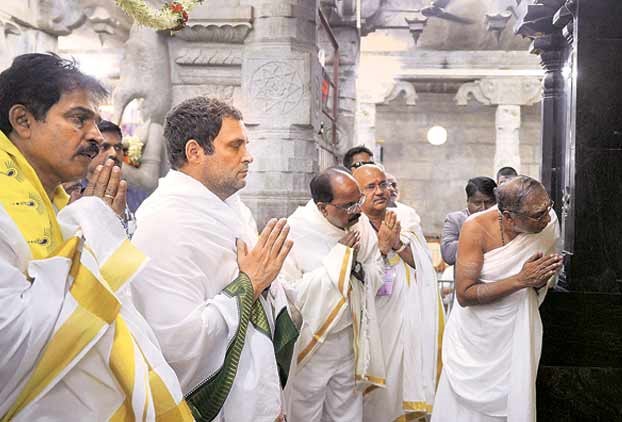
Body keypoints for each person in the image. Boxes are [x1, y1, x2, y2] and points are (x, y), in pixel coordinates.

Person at [0, 53, 191, 420]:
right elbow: (10, 345)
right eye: (78, 119)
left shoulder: (53, 198)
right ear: (23, 121)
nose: (95, 135)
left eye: (96, 121)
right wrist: (92, 224)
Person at [130, 97, 295, 421]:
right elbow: (177, 342)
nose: (248, 156)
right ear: (194, 152)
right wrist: (249, 285)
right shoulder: (165, 222)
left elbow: (259, 294)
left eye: (246, 144)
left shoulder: (233, 209)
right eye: (235, 146)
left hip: (254, 397)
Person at [431, 176, 563, 422]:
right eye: (537, 215)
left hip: (517, 329)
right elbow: (465, 294)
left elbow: (538, 279)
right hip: (477, 338)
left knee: (516, 397)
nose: (547, 217)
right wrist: (520, 280)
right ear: (509, 218)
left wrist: (541, 278)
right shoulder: (476, 228)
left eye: (548, 208)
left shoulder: (549, 220)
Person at [281, 167, 386, 422]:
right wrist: (339, 260)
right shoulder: (293, 232)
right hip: (312, 344)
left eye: (359, 201)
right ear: (322, 207)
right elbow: (290, 294)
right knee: (306, 413)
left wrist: (358, 269)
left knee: (347, 414)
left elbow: (376, 268)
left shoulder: (360, 224)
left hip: (350, 340)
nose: (358, 210)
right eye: (349, 206)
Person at [352, 164, 444, 422]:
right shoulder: (352, 225)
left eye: (383, 184)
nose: (381, 191)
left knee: (400, 382)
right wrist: (381, 248)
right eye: (371, 187)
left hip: (406, 317)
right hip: (372, 320)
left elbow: (423, 264)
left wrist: (396, 243)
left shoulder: (405, 217)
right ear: (356, 192)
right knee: (371, 391)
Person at [69, 119, 149, 238]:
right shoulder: (73, 195)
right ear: (89, 152)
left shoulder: (139, 197)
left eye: (118, 148)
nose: (113, 153)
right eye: (105, 147)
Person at [440, 177, 497, 266]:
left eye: (489, 202)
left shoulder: (503, 220)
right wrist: (478, 236)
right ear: (468, 201)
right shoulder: (455, 220)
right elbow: (448, 255)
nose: (483, 208)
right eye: (477, 203)